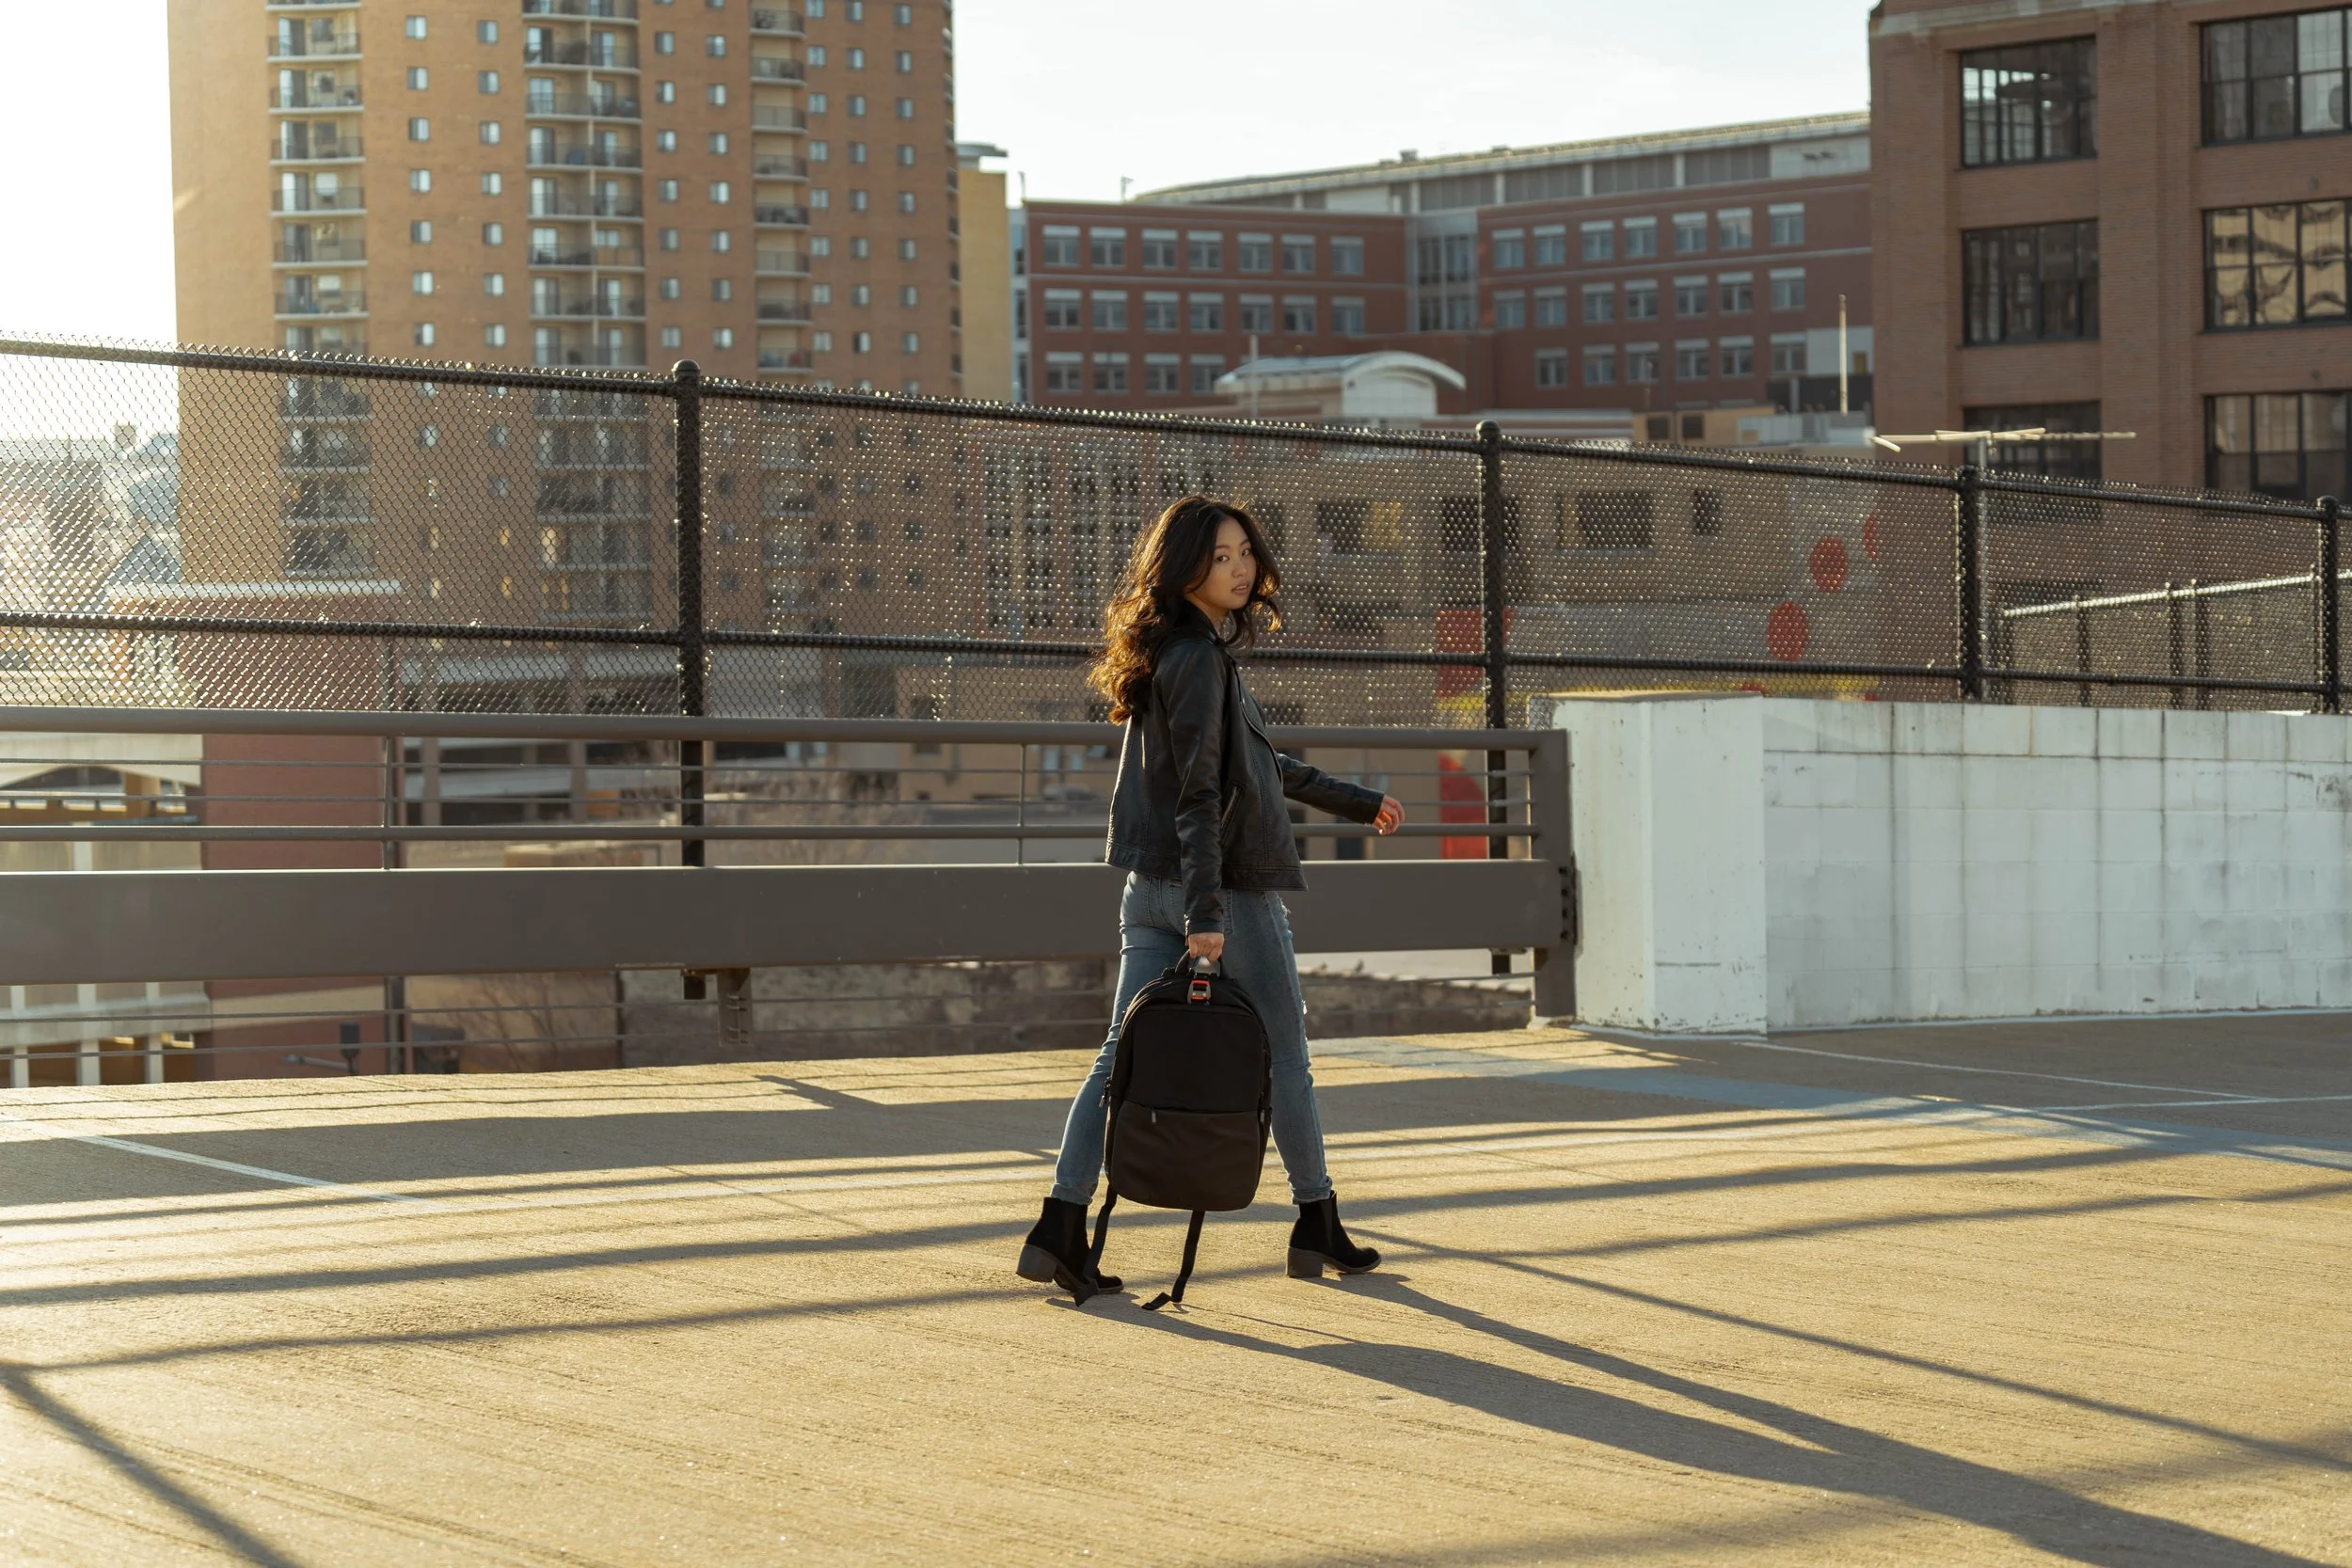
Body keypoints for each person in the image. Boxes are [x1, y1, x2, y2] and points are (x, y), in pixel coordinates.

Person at [1017, 495, 1405, 1300]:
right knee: (1287, 1058)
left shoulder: (1184, 654)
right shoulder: (1197, 660)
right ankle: (1316, 1218)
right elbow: (1199, 795)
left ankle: (1060, 1226)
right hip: (1222, 892)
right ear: (1186, 564)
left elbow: (1260, 768)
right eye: (1222, 555)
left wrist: (1356, 802)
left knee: (1114, 1062)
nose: (1241, 568)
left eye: (1245, 554)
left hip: (1149, 888)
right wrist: (1207, 915)